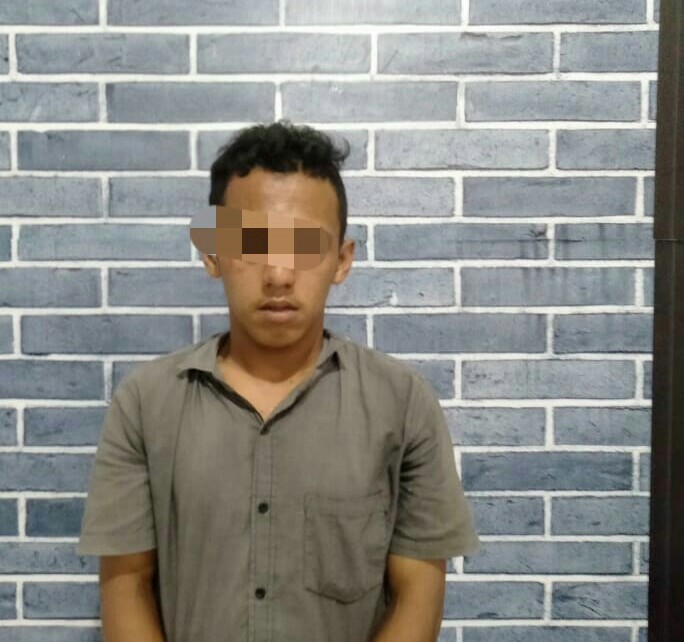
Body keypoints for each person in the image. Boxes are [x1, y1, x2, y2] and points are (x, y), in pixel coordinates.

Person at [76, 119, 481, 642]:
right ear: (212, 252)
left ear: (341, 260)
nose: (279, 274)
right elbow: (127, 587)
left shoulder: (401, 405)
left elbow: (417, 594)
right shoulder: (145, 404)